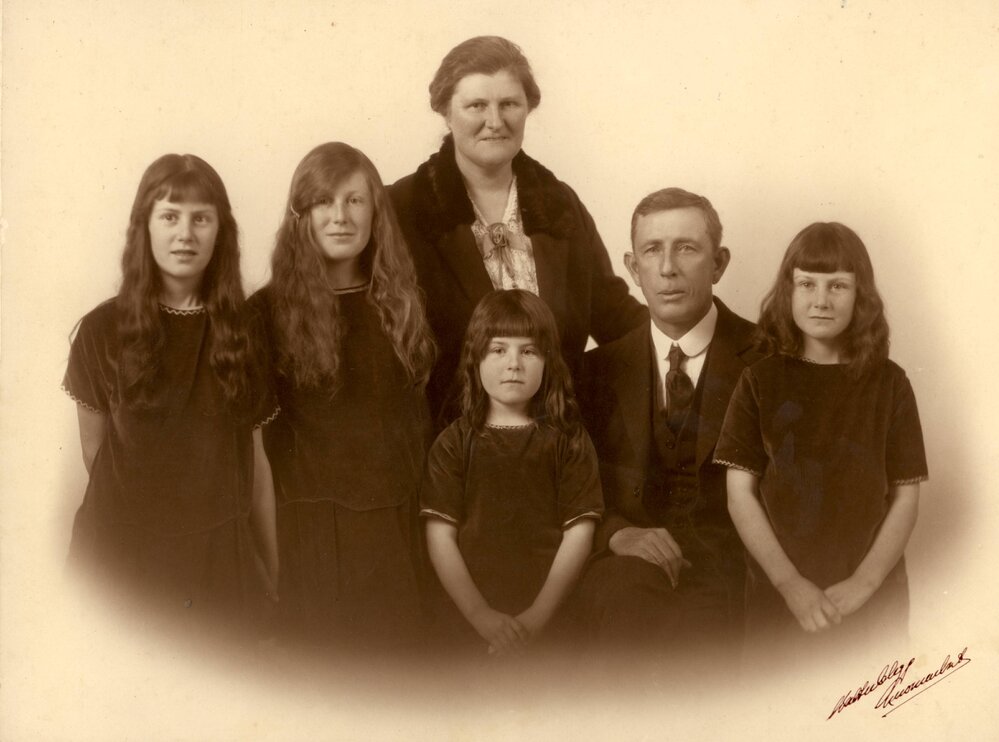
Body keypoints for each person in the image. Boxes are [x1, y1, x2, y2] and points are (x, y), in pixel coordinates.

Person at [62, 154, 279, 633]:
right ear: (145, 226)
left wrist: (272, 568)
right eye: (170, 216)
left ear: (221, 231)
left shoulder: (246, 331)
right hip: (122, 556)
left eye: (201, 218)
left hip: (218, 559)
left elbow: (256, 463)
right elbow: (96, 453)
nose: (185, 233)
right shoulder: (102, 330)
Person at [389, 35, 646, 426]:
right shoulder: (402, 208)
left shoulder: (559, 204)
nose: (495, 122)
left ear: (528, 107)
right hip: (445, 442)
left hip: (560, 438)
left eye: (509, 103)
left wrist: (697, 339)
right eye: (476, 105)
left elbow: (614, 317)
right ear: (446, 112)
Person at [250, 142, 437, 653]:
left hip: (400, 526)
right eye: (323, 202)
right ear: (301, 215)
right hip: (313, 535)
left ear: (376, 212)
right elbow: (253, 453)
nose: (340, 216)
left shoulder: (401, 304)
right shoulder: (264, 315)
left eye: (355, 200)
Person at [714, 222, 927, 660]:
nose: (821, 300)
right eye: (807, 283)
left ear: (861, 295)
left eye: (838, 286)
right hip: (780, 598)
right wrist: (790, 584)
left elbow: (906, 496)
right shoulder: (759, 381)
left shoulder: (891, 384)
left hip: (872, 599)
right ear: (788, 291)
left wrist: (865, 582)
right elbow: (740, 496)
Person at [574, 188, 761, 657]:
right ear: (632, 268)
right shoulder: (595, 371)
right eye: (652, 250)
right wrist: (616, 533)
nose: (667, 268)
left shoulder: (768, 359)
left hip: (736, 573)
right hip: (630, 574)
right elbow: (568, 486)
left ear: (719, 263)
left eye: (687, 248)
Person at [421, 290, 603, 656]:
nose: (514, 364)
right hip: (469, 619)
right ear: (475, 358)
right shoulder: (453, 444)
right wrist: (481, 616)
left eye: (529, 351)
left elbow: (579, 533)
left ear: (548, 361)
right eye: (498, 350)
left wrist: (536, 619)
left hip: (552, 614)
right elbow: (440, 537)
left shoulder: (568, 440)